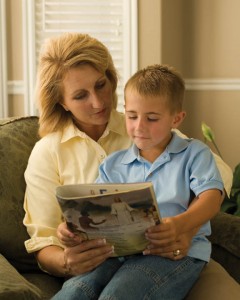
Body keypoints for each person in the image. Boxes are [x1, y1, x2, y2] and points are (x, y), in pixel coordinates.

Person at [22, 33, 231, 296]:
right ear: (61, 102)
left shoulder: (143, 126)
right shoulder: (56, 153)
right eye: (80, 95)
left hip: (176, 253)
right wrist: (67, 251)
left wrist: (184, 227)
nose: (98, 103)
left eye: (101, 85)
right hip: (110, 257)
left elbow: (218, 177)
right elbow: (47, 236)